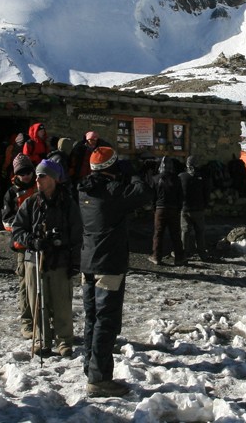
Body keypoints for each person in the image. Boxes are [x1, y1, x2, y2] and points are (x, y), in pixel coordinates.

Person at [76, 146, 151, 398]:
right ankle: (99, 379)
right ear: (112, 166)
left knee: (91, 318)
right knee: (106, 321)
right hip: (109, 263)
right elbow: (143, 192)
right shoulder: (113, 192)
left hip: (88, 262)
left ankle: (90, 367)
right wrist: (134, 174)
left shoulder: (83, 190)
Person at [10, 159, 77, 356]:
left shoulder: (67, 204)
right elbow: (17, 228)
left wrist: (75, 261)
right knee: (37, 300)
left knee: (61, 302)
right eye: (37, 175)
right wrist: (31, 240)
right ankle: (42, 339)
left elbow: (77, 233)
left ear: (54, 179)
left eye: (42, 175)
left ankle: (64, 341)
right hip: (34, 258)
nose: (37, 179)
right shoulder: (31, 203)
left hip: (60, 259)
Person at [2, 155, 38, 335]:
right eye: (22, 173)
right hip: (22, 244)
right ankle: (27, 322)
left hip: (40, 242)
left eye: (29, 172)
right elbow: (6, 221)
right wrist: (24, 229)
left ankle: (43, 320)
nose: (26, 176)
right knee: (25, 285)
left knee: (42, 283)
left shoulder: (39, 188)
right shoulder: (11, 193)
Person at [150, 157, 184, 266]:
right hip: (173, 209)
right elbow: (180, 196)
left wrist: (154, 208)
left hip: (160, 209)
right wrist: (179, 208)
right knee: (175, 234)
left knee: (158, 234)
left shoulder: (155, 179)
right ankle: (179, 258)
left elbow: (153, 197)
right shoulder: (177, 179)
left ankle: (156, 257)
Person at [178, 156, 213, 261]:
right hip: (198, 208)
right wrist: (205, 205)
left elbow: (177, 193)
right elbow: (207, 193)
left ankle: (184, 252)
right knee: (200, 231)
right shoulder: (203, 177)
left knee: (185, 231)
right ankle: (202, 253)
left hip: (185, 208)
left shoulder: (181, 176)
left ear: (187, 165)